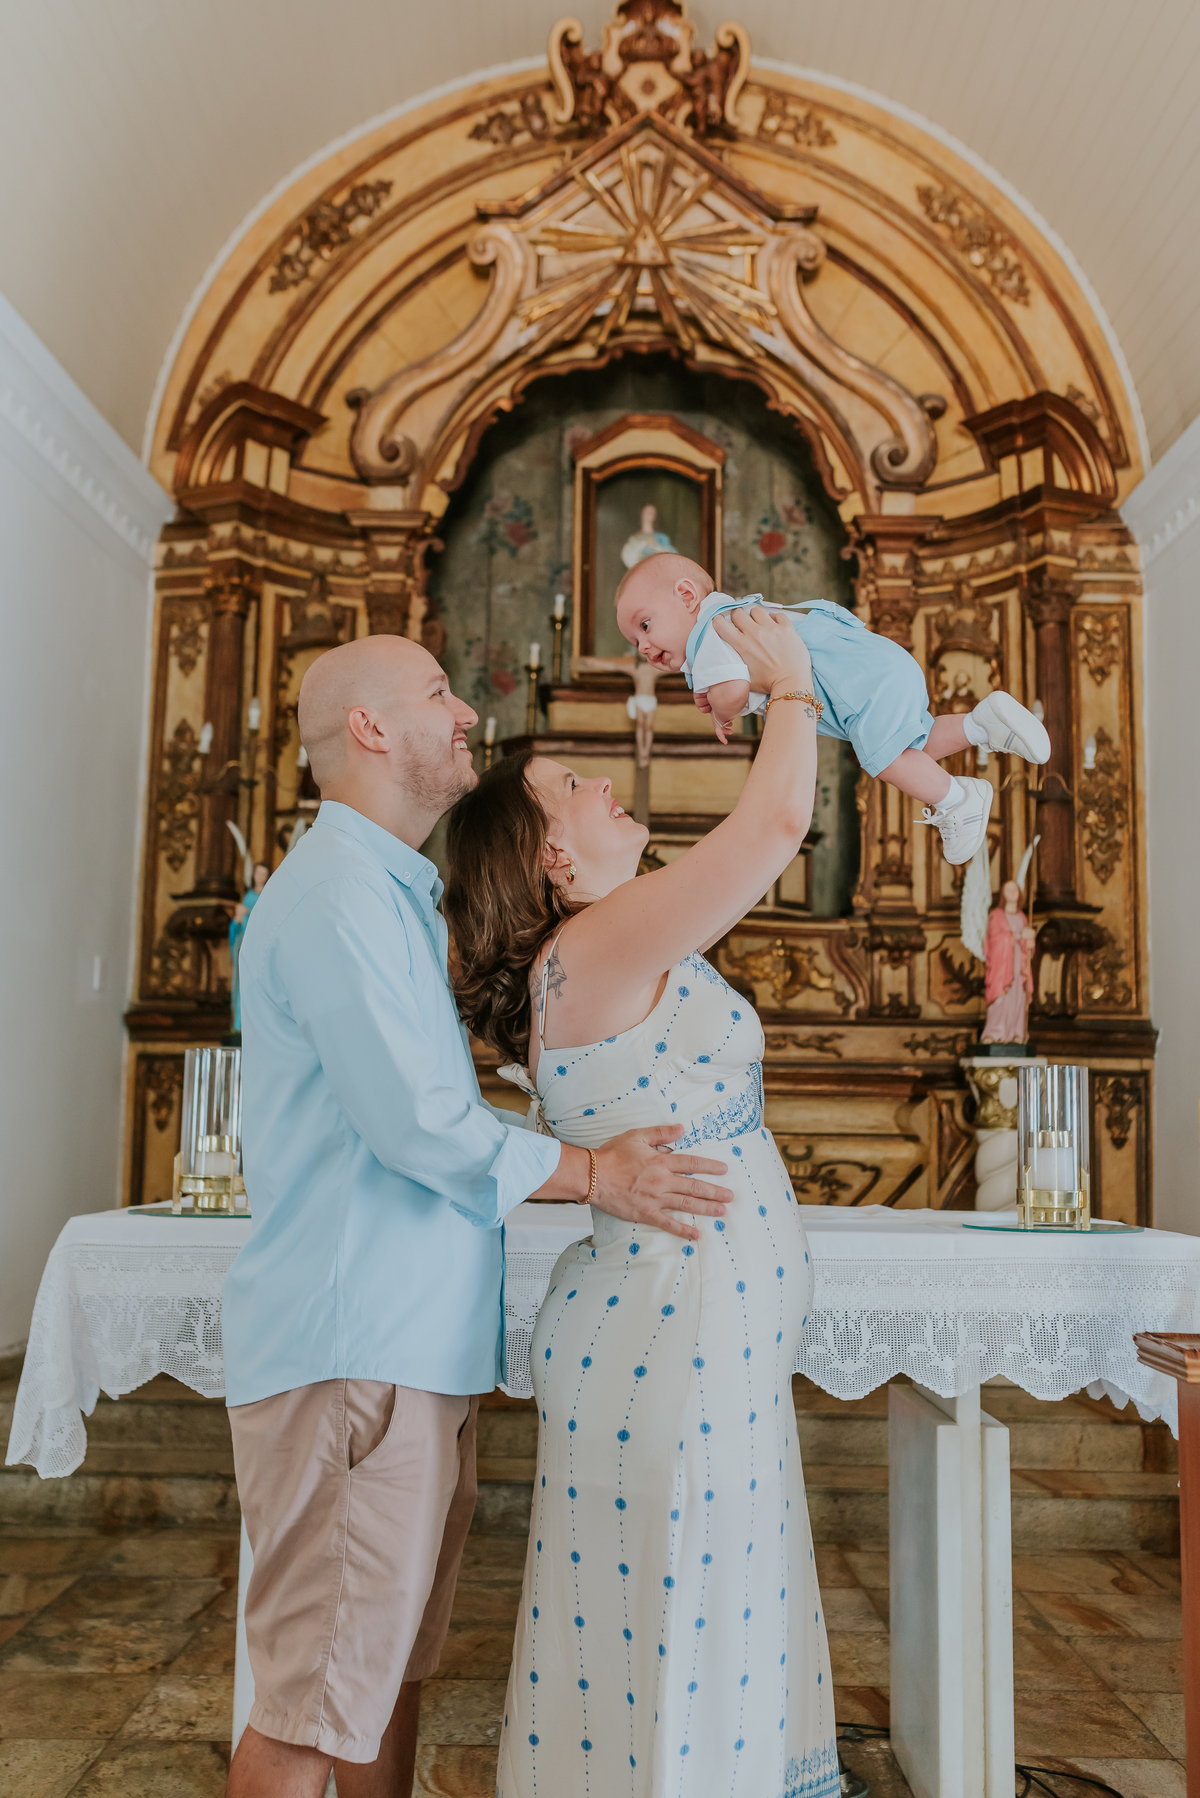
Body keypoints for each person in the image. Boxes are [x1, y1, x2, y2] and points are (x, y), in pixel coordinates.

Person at [222, 634, 733, 1798]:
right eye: (439, 692)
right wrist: (597, 1173)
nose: (466, 713)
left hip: (407, 1354)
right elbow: (416, 1122)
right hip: (357, 1355)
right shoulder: (339, 894)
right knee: (311, 1710)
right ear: (369, 728)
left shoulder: (392, 892)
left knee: (380, 1681)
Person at [444, 607, 840, 1798]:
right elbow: (775, 825)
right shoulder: (595, 948)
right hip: (679, 1331)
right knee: (685, 1611)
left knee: (666, 1616)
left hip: (683, 1324)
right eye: (571, 787)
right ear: (552, 862)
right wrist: (790, 682)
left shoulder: (597, 950)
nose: (602, 781)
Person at [615, 552, 1051, 865]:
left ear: (686, 594)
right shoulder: (727, 617)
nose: (644, 647)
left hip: (856, 684)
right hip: (876, 664)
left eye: (645, 625)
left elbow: (733, 688)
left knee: (886, 761)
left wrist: (719, 709)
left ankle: (958, 799)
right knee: (913, 748)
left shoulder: (709, 631)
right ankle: (982, 725)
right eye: (635, 642)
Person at [981, 877, 1036, 1046]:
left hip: (1019, 965)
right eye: (1008, 889)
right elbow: (994, 940)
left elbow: (1027, 946)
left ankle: (1017, 1032)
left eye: (1015, 889)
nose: (1012, 892)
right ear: (1003, 894)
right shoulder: (996, 916)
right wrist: (1018, 936)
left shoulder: (1022, 917)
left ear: (1020, 894)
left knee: (1019, 997)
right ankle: (994, 1033)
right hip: (1002, 967)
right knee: (1001, 998)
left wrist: (1030, 941)